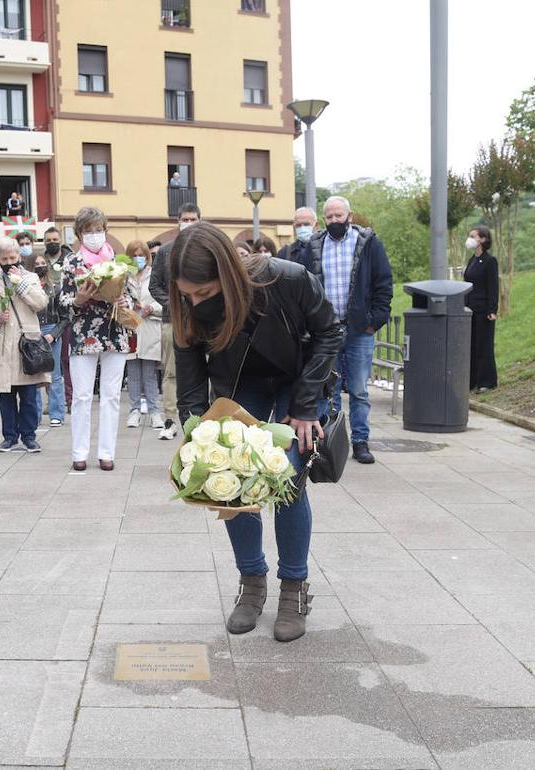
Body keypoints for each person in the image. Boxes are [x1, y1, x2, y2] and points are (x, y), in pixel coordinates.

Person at [171, 222, 343, 642]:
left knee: (286, 475)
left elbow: (329, 332)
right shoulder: (185, 304)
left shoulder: (288, 278)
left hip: (296, 380)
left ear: (228, 276)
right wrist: (198, 432)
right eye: (186, 294)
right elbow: (192, 380)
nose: (194, 302)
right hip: (238, 385)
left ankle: (293, 588)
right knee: (229, 475)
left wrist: (304, 407)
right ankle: (252, 583)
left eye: (205, 294)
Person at [287, 196, 392, 465]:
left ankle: (360, 442)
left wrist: (375, 320)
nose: (334, 220)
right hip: (325, 331)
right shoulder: (315, 246)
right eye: (329, 217)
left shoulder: (368, 244)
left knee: (359, 390)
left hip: (359, 329)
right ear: (324, 220)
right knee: (328, 390)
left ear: (350, 216)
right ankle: (331, 442)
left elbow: (383, 283)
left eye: (339, 215)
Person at [60, 206, 132, 471]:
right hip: (84, 334)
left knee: (112, 396)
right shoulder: (71, 263)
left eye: (98, 230)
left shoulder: (117, 261)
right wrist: (78, 299)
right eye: (89, 231)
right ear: (80, 234)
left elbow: (130, 297)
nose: (94, 235)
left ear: (105, 231)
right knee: (81, 396)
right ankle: (79, 453)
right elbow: (62, 303)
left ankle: (106, 453)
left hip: (115, 333)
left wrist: (125, 300)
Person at [0, 237, 51, 452]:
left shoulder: (31, 277)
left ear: (19, 257)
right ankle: (9, 436)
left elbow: (40, 303)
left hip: (25, 345)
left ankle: (29, 436)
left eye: (13, 257)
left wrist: (21, 284)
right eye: (4, 258)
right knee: (6, 396)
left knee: (28, 396)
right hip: (1, 346)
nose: (9, 262)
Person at [148, 203, 201, 440]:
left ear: (200, 220)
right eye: (185, 219)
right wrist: (173, 304)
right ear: (178, 221)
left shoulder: (207, 249)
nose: (188, 223)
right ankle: (170, 420)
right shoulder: (166, 251)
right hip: (173, 320)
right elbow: (154, 285)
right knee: (171, 372)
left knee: (207, 368)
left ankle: (204, 417)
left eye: (193, 219)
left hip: (204, 320)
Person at [125, 240, 163, 429]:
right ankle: (134, 411)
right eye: (134, 255)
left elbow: (165, 302)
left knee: (149, 373)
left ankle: (155, 411)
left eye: (141, 255)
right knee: (132, 374)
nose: (138, 259)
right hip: (131, 328)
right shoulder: (124, 276)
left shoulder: (155, 275)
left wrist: (151, 308)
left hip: (149, 328)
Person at [463, 225, 499, 392]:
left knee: (484, 345)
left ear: (482, 240)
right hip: (470, 309)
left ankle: (487, 381)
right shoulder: (472, 260)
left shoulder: (490, 261)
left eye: (473, 236)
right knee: (471, 345)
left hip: (484, 310)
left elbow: (493, 287)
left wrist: (492, 310)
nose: (470, 238)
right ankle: (473, 380)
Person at [33, 252, 67, 427]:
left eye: (42, 263)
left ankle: (57, 413)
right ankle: (35, 415)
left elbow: (65, 316)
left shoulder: (55, 287)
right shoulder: (26, 287)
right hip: (32, 332)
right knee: (34, 375)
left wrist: (54, 334)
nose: (40, 266)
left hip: (50, 330)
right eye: (36, 264)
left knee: (54, 375)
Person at [44, 226, 73, 408]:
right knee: (48, 362)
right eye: (48, 241)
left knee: (67, 360)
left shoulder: (70, 259)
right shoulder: (41, 261)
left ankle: (70, 399)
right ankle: (53, 401)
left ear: (60, 241)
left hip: (67, 315)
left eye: (55, 240)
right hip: (48, 316)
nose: (52, 243)